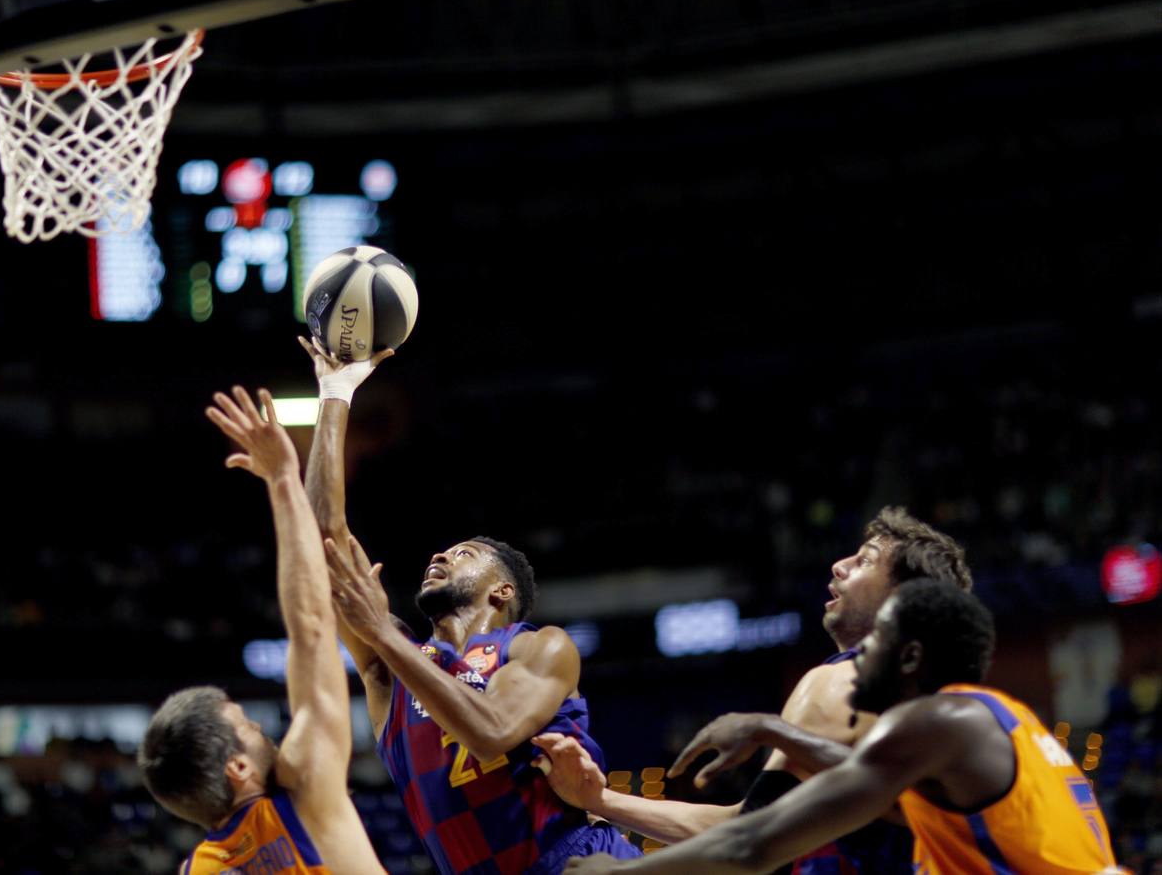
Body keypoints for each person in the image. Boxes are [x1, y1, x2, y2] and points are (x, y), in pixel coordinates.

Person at [300, 336, 642, 875]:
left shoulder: (537, 646)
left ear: (502, 591)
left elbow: (490, 733)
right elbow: (320, 540)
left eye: (465, 553)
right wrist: (335, 393)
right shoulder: (390, 674)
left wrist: (383, 636)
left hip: (579, 864)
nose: (441, 553)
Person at [561, 580, 1120, 874]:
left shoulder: (935, 722)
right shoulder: (1000, 722)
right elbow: (865, 788)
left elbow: (754, 845)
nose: (854, 661)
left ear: (909, 658)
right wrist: (771, 729)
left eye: (872, 645)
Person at [534, 508, 972, 873]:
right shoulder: (942, 708)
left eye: (865, 561)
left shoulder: (838, 681)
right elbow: (755, 822)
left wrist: (620, 871)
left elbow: (749, 842)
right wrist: (602, 800)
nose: (839, 565)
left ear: (903, 599)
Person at [137, 386, 385, 874]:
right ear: (239, 769)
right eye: (248, 729)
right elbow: (312, 628)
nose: (266, 734)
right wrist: (282, 478)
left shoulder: (198, 870)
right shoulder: (301, 795)